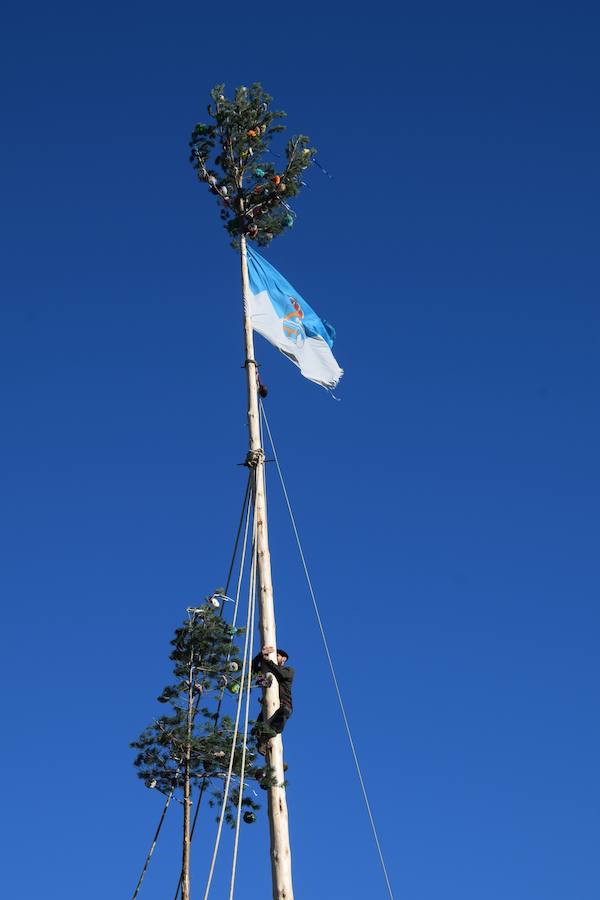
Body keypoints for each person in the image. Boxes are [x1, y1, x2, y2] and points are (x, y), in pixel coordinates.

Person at [252, 645, 294, 755]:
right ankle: (263, 743)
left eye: (277, 655)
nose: (274, 657)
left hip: (284, 704)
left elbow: (281, 674)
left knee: (284, 713)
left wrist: (268, 661)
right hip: (268, 706)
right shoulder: (266, 669)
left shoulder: (289, 670)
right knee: (257, 728)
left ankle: (266, 738)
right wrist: (260, 656)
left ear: (283, 659)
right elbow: (253, 669)